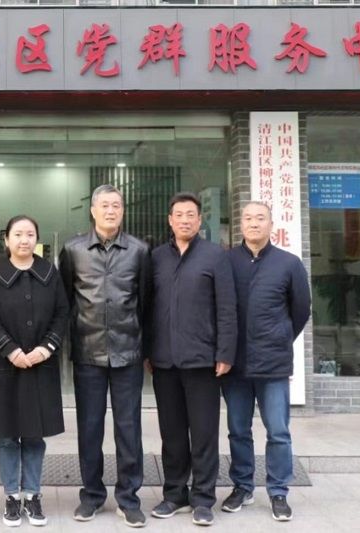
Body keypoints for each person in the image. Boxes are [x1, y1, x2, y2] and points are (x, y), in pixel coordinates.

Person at [59, 183, 152, 528]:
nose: (111, 211)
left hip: (128, 352)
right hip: (88, 352)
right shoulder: (73, 250)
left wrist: (144, 346)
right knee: (90, 428)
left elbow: (146, 301)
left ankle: (129, 498)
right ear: (93, 210)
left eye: (116, 205)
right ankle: (92, 496)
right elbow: (65, 301)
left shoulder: (140, 250)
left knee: (129, 429)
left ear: (122, 211)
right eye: (105, 205)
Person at [147, 192, 237, 527]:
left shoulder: (215, 256)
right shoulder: (156, 257)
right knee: (171, 434)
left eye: (191, 215)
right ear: (170, 220)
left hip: (203, 361)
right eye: (179, 215)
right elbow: (148, 308)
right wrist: (149, 350)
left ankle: (203, 498)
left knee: (203, 433)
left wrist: (225, 352)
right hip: (165, 361)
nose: (185, 220)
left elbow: (227, 308)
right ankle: (174, 494)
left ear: (199, 221)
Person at [221, 201, 311, 522]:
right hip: (235, 364)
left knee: (278, 431)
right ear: (240, 224)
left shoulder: (289, 263)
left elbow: (301, 310)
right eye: (248, 218)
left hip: (273, 364)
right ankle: (242, 486)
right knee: (237, 430)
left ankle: (278, 491)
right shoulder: (227, 261)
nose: (254, 223)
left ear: (271, 224)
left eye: (260, 218)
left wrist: (280, 337)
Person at [0, 215, 69, 528]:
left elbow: (62, 313)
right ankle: (11, 496)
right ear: (6, 240)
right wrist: (10, 350)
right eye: (17, 234)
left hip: (41, 365)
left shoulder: (49, 272)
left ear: (36, 239)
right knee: (7, 436)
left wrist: (47, 348)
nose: (24, 240)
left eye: (30, 234)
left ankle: (32, 494)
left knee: (34, 434)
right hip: (5, 365)